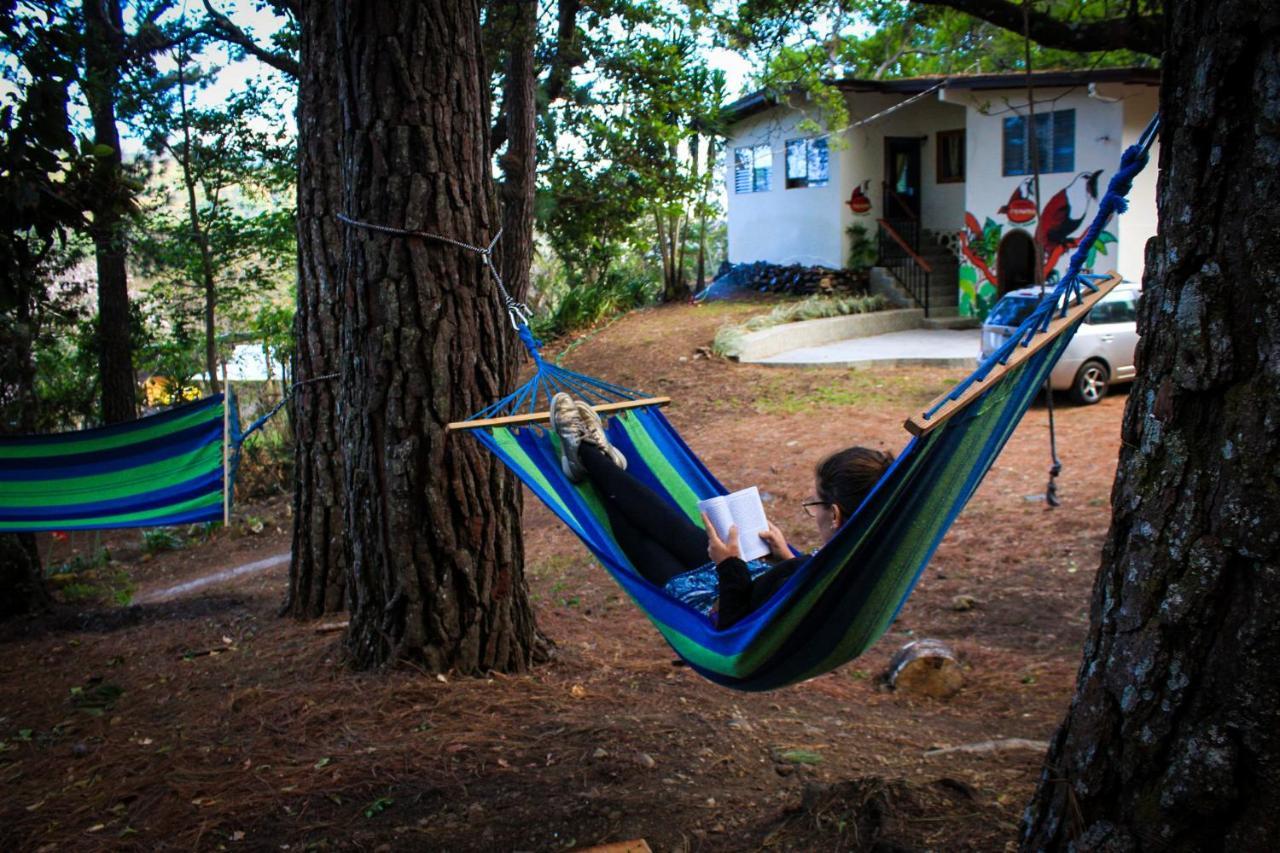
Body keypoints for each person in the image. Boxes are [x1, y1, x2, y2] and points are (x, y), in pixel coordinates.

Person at [549, 393, 894, 628]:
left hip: (710, 603)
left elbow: (731, 624)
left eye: (815, 505)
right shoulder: (867, 549)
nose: (813, 512)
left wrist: (727, 562)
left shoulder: (836, 565)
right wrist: (784, 555)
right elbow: (804, 586)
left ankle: (587, 455)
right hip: (742, 577)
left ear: (834, 515)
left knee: (638, 532)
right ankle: (592, 457)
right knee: (666, 523)